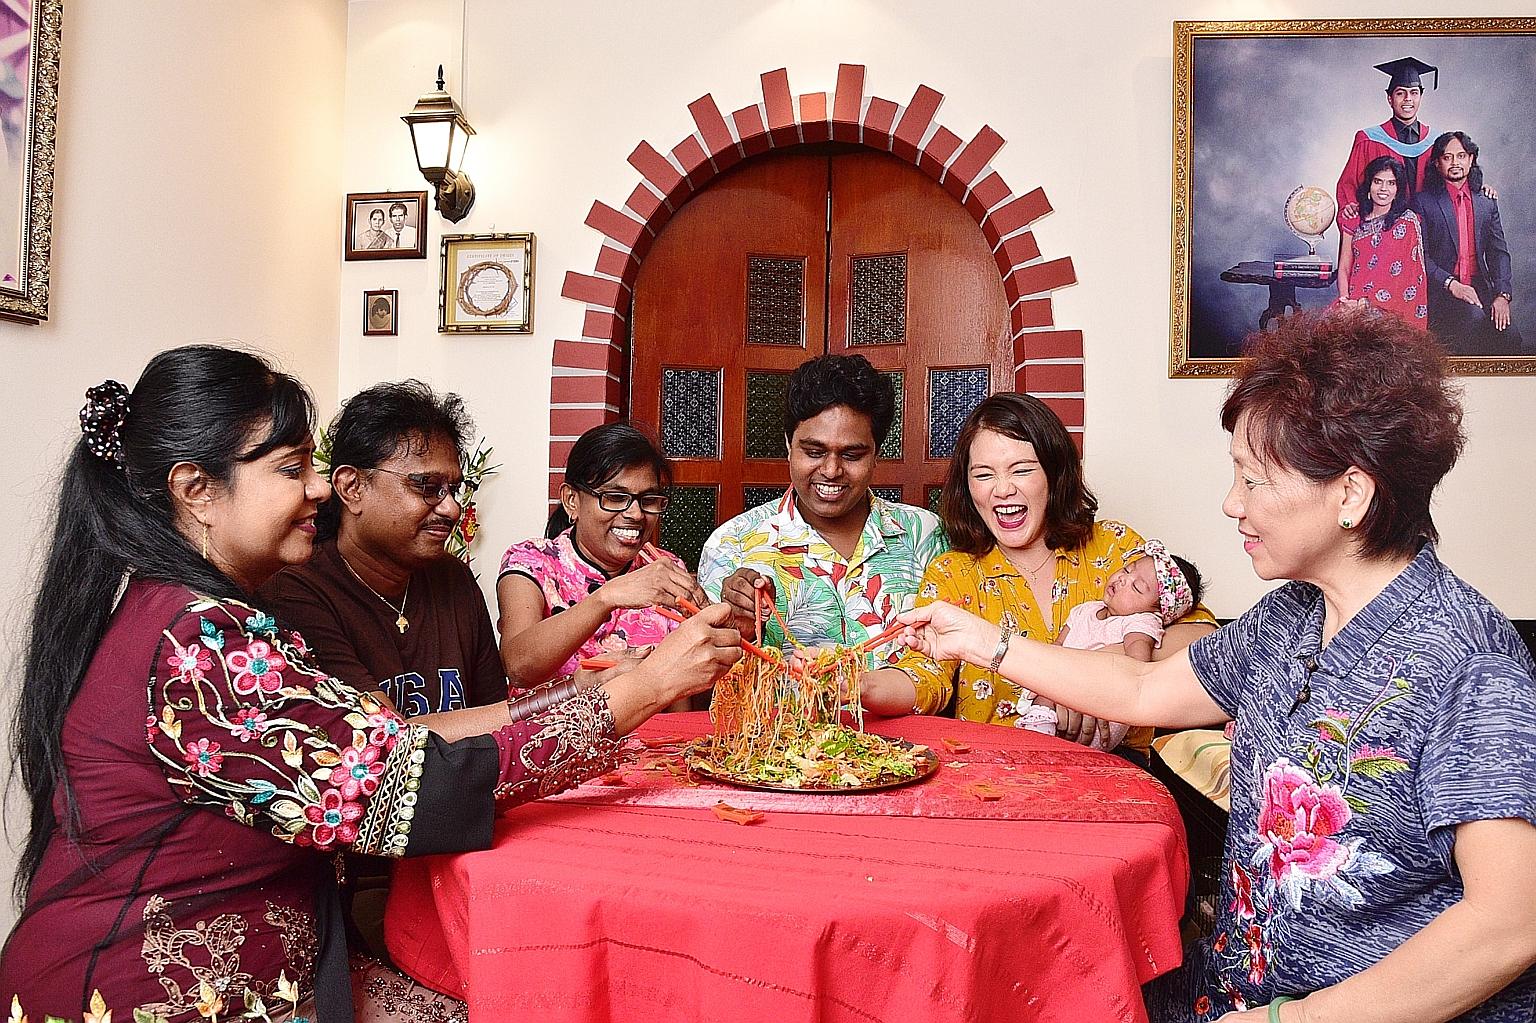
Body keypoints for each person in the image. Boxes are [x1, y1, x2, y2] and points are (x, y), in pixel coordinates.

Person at [0, 346, 741, 1022]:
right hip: (147, 995)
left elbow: (400, 741)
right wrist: (642, 688)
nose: (318, 487)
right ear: (196, 489)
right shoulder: (198, 636)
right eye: (292, 468)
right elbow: (409, 784)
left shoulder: (202, 610)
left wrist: (614, 690)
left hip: (271, 962)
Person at [896, 309, 1536, 1021]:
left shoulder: (1467, 660)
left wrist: (1290, 1020)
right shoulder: (1289, 616)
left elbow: (1511, 921)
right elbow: (1142, 686)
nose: (1232, 503)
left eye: (1254, 479)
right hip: (1230, 987)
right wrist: (987, 642)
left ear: (1351, 494)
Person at [858, 392, 1217, 764]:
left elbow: (1207, 641)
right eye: (983, 475)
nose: (1002, 489)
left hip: (1119, 768)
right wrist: (858, 685)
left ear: (1054, 471)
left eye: (1021, 469)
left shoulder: (1116, 548)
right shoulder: (954, 573)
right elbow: (923, 678)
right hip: (997, 773)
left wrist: (1093, 677)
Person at [262, 381, 504, 717]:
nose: (451, 508)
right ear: (352, 487)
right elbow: (387, 738)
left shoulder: (453, 576)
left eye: (453, 489)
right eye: (428, 487)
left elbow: (495, 717)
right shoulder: (298, 590)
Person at [699, 354, 946, 664]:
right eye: (814, 452)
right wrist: (743, 629)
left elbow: (950, 663)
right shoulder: (731, 544)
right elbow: (708, 679)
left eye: (852, 455)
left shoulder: (924, 535)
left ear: (876, 454)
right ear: (788, 445)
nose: (831, 470)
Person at [498, 422, 701, 684]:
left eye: (649, 500)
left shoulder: (664, 568)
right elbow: (518, 667)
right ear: (572, 500)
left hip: (654, 725)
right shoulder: (531, 562)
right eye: (616, 497)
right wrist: (607, 597)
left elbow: (682, 686)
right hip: (549, 725)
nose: (636, 514)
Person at [1025, 542, 1204, 751]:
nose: (1123, 579)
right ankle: (1038, 736)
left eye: (1137, 587)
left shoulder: (1139, 623)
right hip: (1063, 699)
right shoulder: (1085, 611)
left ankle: (1038, 739)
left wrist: (1091, 684)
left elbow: (1137, 666)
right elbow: (1055, 649)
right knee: (1047, 679)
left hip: (1100, 717)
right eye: (1127, 569)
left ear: (1156, 612)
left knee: (1052, 687)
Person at [1413, 131, 1523, 356]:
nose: (1455, 163)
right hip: (1442, 291)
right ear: (1437, 163)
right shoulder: (1423, 202)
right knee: (1472, 321)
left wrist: (1502, 295)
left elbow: (1498, 252)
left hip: (1480, 288)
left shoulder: (1485, 202)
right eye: (1447, 157)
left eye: (1461, 156)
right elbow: (1419, 255)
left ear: (1471, 159)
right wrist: (1452, 284)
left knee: (1511, 337)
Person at [1335, 57, 1437, 235]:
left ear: (1421, 96)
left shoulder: (1436, 141)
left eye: (1414, 93)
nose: (1408, 99)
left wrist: (1478, 188)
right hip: (1383, 232)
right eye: (1400, 93)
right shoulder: (1368, 139)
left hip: (1428, 231)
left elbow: (1452, 181)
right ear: (1390, 98)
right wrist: (1350, 206)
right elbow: (1348, 184)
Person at [1335, 155, 1428, 329]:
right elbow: (1345, 266)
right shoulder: (1354, 218)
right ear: (1369, 186)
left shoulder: (1407, 222)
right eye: (1378, 181)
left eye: (1391, 183)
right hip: (1351, 302)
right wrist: (1345, 301)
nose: (1383, 189)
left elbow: (1404, 277)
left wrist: (1363, 305)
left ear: (1398, 189)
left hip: (1390, 308)